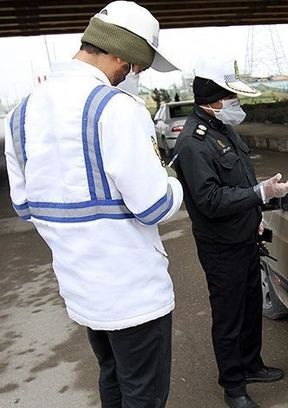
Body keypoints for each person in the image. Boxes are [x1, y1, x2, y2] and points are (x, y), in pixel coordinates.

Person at [3, 2, 183, 407]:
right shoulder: (116, 109)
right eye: (136, 66)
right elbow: (154, 206)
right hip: (136, 297)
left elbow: (24, 206)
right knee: (144, 394)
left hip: (82, 291)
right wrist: (174, 183)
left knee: (113, 380)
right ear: (119, 52)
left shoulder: (20, 115)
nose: (134, 76)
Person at [173, 60, 288, 408]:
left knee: (249, 307)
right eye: (231, 97)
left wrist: (256, 212)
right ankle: (233, 387)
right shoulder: (193, 143)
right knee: (229, 316)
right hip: (221, 247)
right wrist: (260, 194)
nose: (236, 103)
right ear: (214, 100)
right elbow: (210, 199)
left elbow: (241, 180)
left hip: (245, 235)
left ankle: (251, 365)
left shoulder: (223, 129)